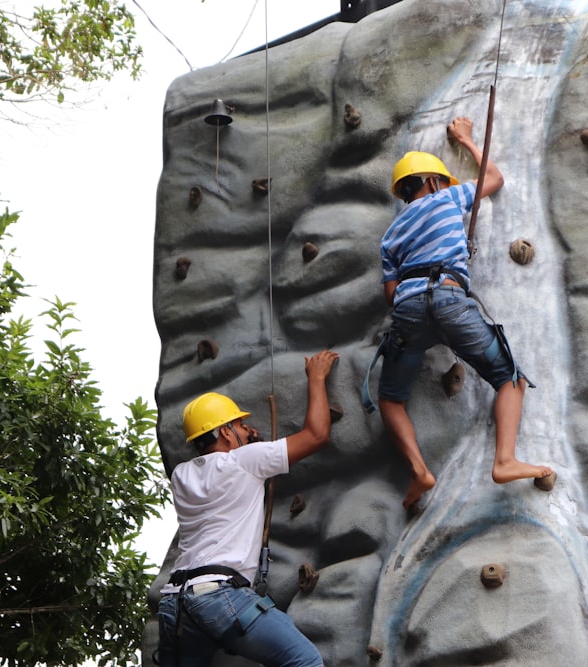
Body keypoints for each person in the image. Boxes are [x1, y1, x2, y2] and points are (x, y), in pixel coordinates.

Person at [377, 116, 554, 511]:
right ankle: (505, 460)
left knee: (390, 399)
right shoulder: (446, 199)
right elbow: (494, 178)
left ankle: (420, 471)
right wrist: (468, 140)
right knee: (509, 378)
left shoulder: (390, 236)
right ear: (435, 181)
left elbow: (390, 295)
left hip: (408, 307)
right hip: (448, 296)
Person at [156, 350, 339, 667]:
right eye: (240, 425)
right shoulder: (245, 461)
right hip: (219, 596)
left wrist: (247, 442)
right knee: (305, 660)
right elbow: (316, 435)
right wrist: (317, 378)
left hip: (175, 603)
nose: (248, 430)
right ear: (225, 432)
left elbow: (222, 477)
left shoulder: (181, 476)